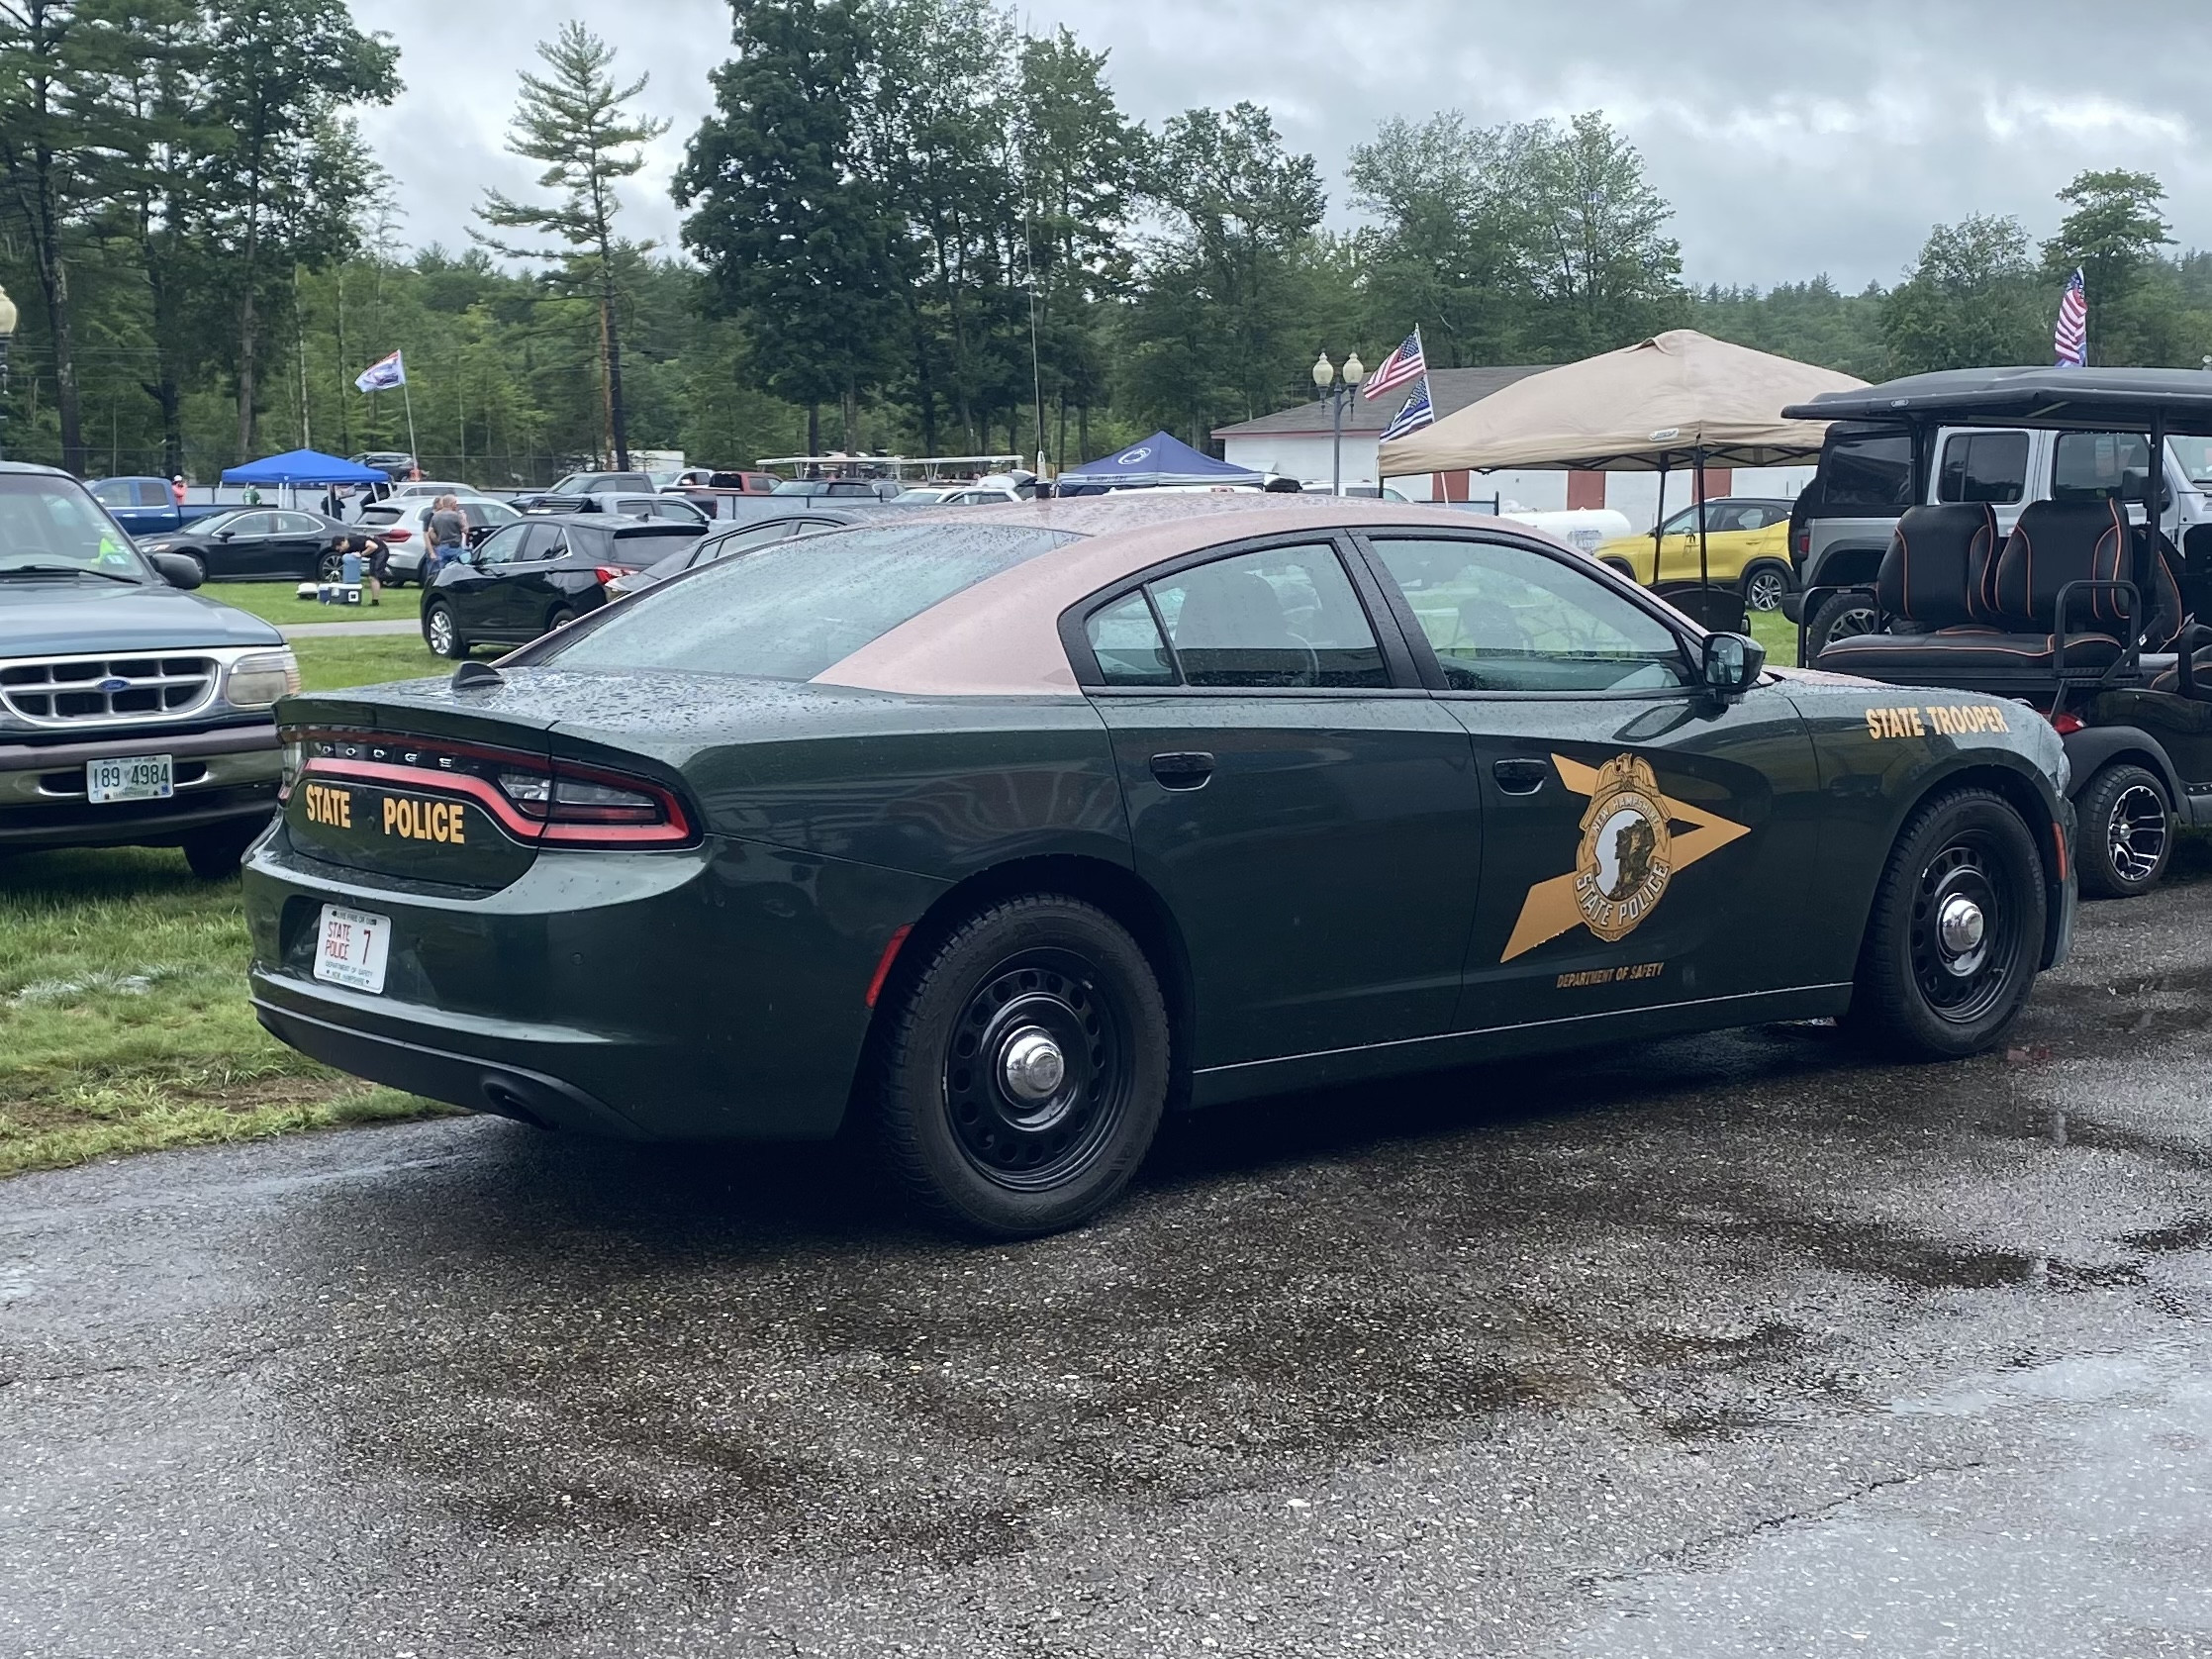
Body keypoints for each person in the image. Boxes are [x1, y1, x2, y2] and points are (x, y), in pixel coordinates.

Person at [429, 495, 469, 572]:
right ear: (451, 504)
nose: (457, 505)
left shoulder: (435, 516)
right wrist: (464, 518)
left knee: (442, 571)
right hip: (455, 548)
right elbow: (465, 530)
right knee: (457, 570)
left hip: (441, 548)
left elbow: (431, 532)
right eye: (455, 503)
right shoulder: (456, 515)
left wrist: (437, 541)